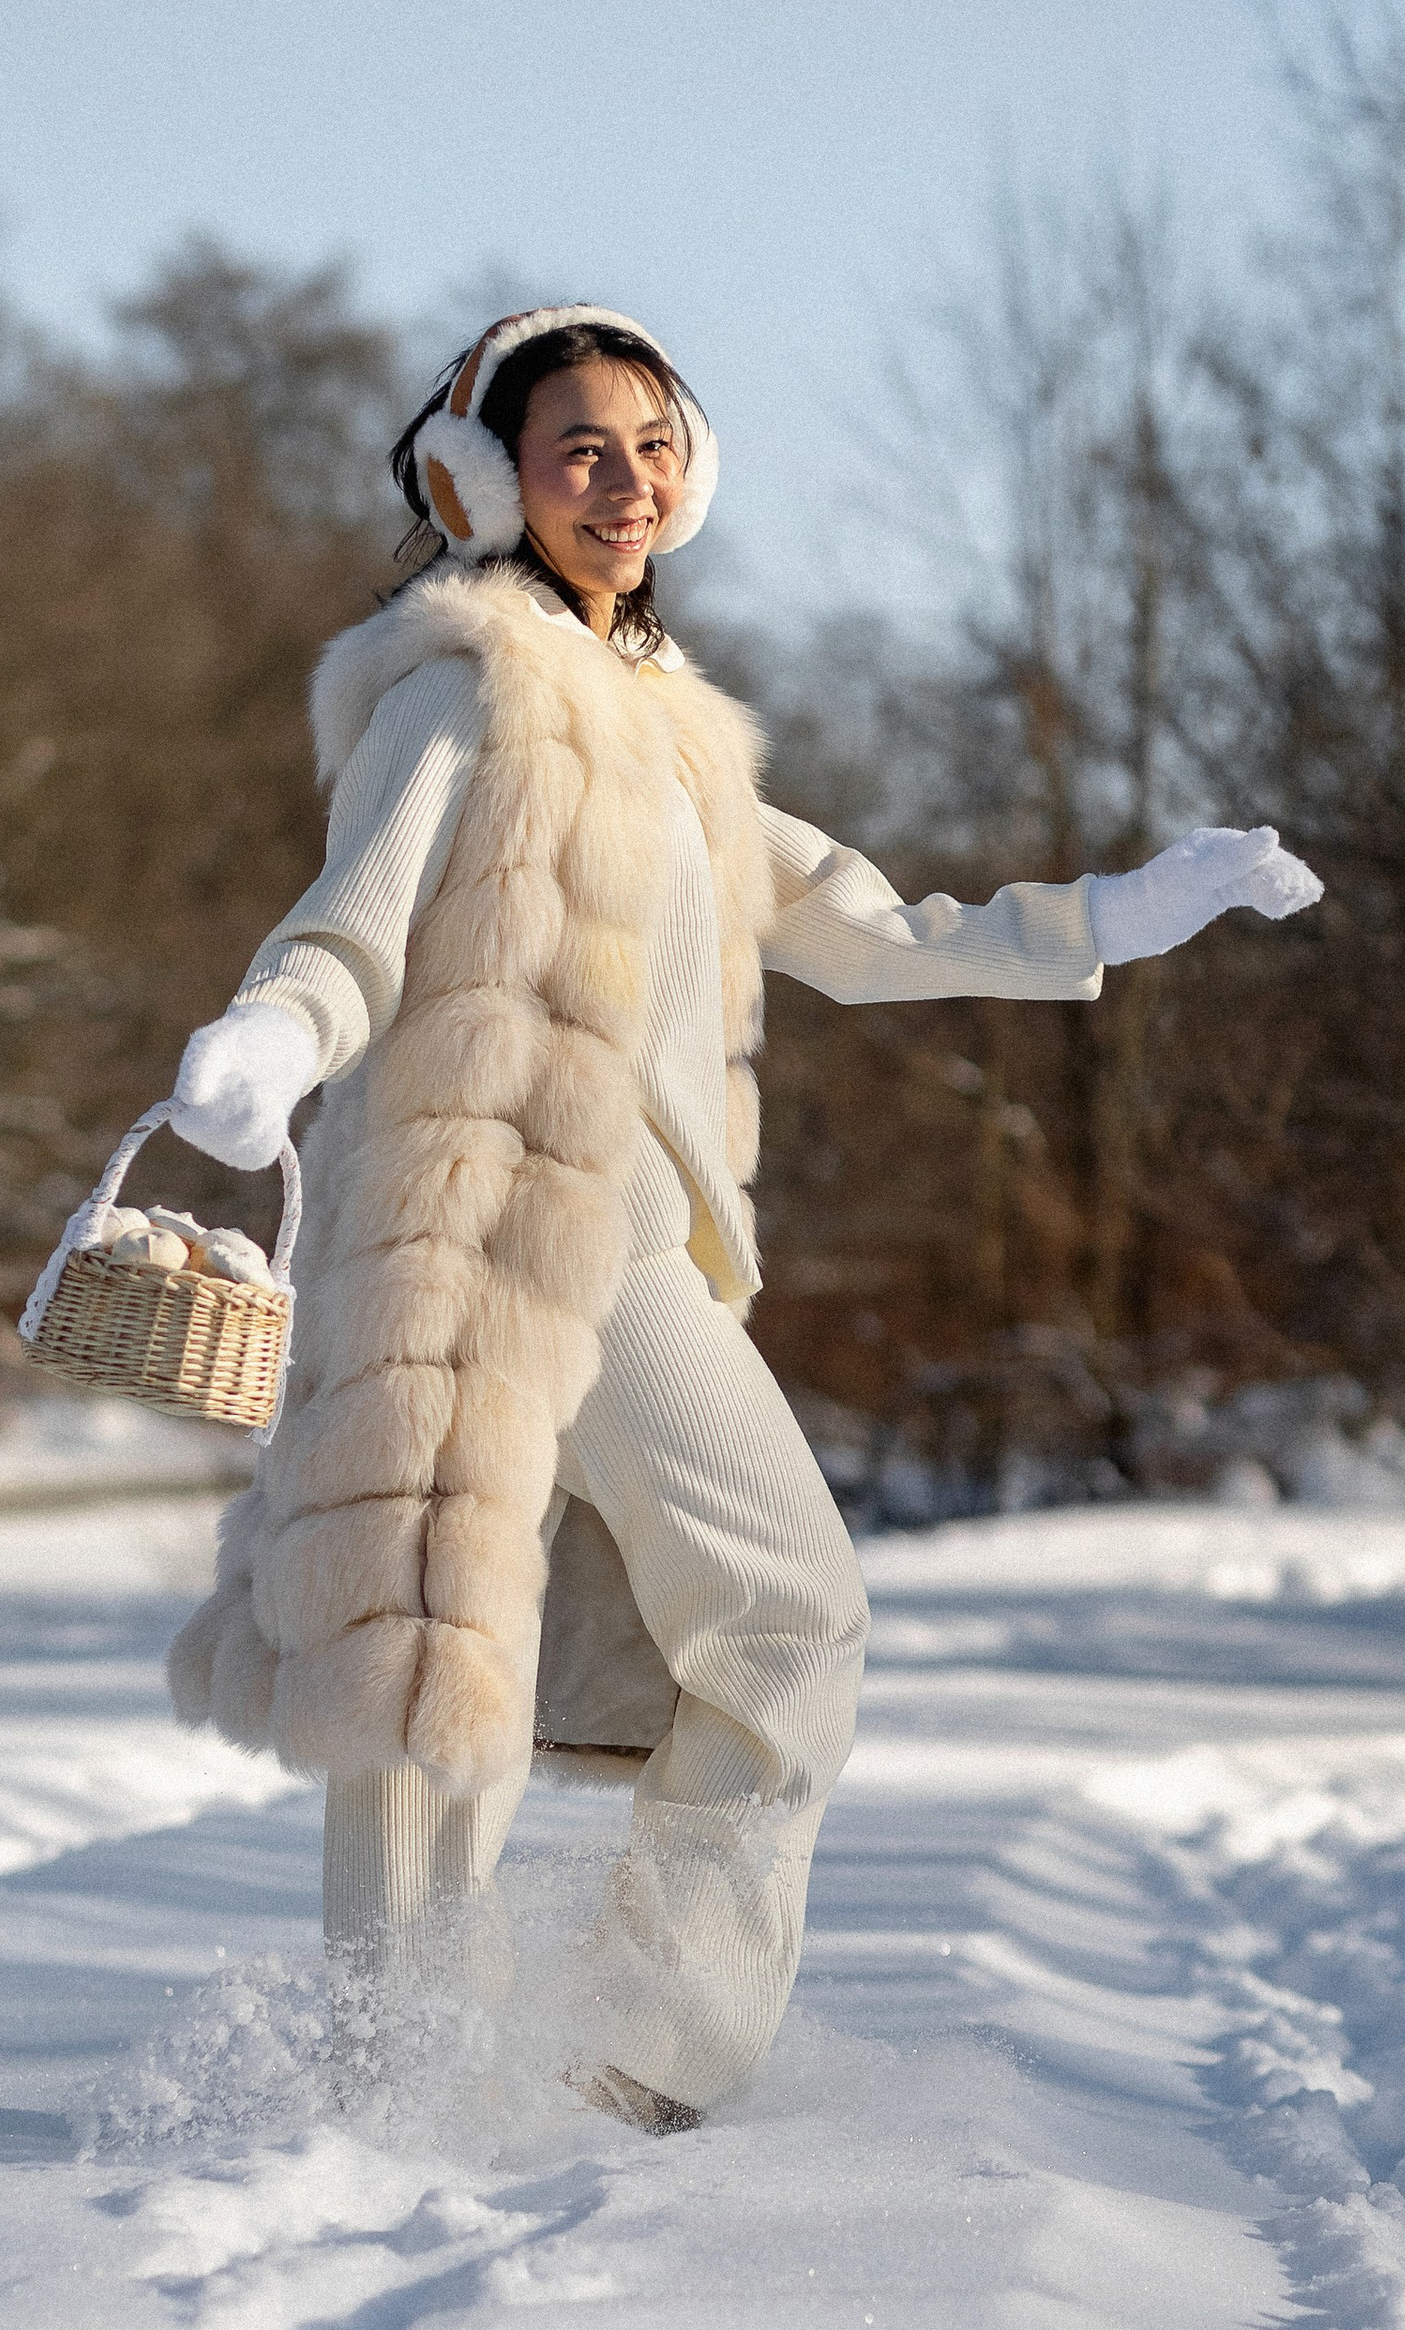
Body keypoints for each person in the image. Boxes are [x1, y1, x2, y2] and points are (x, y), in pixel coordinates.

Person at [140, 304, 1318, 2129]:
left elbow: (866, 927)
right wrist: (267, 1039)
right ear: (483, 484)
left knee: (787, 1614)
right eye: (577, 449)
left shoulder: (679, 734)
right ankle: (389, 2090)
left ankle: (637, 2060)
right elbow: (349, 921)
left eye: (652, 443)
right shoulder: (468, 689)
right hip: (463, 1236)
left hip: (617, 1251)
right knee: (436, 1670)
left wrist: (1103, 916)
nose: (625, 480)